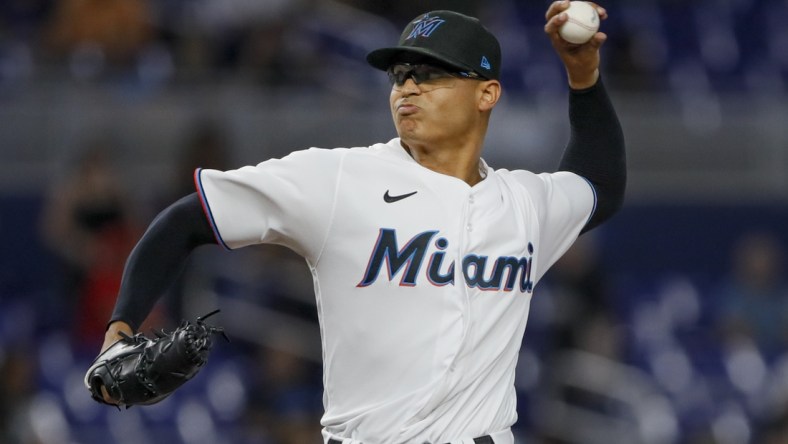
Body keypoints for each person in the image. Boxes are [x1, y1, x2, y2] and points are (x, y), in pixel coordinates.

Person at [92, 2, 626, 443]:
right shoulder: (340, 178)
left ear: (487, 93)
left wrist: (585, 79)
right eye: (401, 74)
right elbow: (186, 220)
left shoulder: (525, 203)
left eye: (432, 73)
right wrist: (120, 328)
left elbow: (600, 184)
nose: (408, 87)